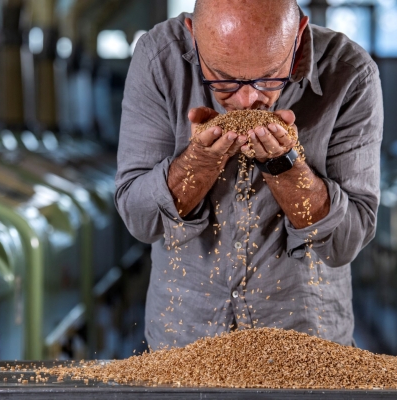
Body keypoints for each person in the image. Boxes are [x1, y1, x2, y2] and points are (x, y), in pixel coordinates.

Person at [115, 0, 383, 350]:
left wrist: (285, 168)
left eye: (268, 77)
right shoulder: (158, 58)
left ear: (298, 37)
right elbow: (140, 219)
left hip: (306, 349)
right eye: (223, 79)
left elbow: (346, 242)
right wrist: (199, 164)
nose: (245, 100)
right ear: (195, 37)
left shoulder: (351, 73)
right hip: (184, 347)